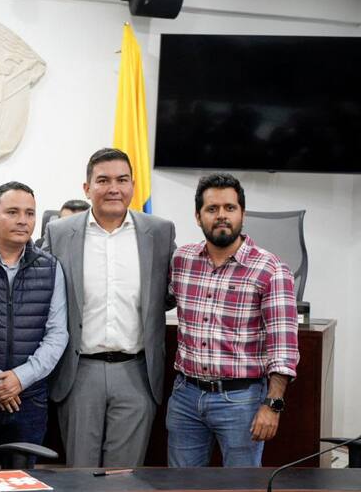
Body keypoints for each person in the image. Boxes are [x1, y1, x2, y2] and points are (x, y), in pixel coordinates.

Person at [43, 147, 176, 467]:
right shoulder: (59, 232)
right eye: (103, 180)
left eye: (122, 179)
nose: (113, 188)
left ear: (133, 185)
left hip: (137, 372)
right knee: (80, 475)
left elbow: (171, 293)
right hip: (79, 372)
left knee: (124, 477)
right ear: (87, 188)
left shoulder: (159, 231)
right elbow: (43, 292)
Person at [167, 173, 299, 467]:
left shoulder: (270, 269)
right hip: (185, 398)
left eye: (229, 208)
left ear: (243, 213)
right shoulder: (182, 261)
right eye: (212, 209)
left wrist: (273, 405)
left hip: (241, 401)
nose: (221, 216)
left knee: (241, 487)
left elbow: (284, 349)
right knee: (179, 488)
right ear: (198, 216)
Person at [0, 181, 68, 467]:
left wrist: (20, 378)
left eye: (30, 213)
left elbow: (57, 335)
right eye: (13, 212)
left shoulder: (51, 266)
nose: (23, 220)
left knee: (24, 481)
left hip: (28, 398)